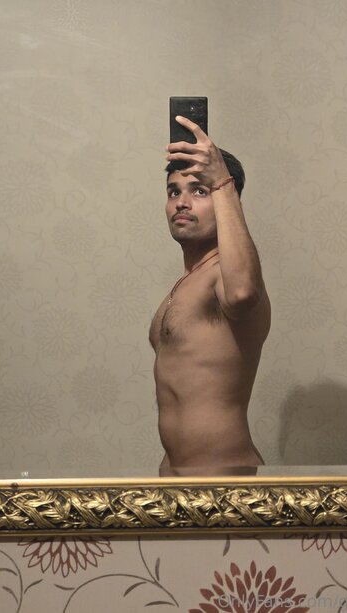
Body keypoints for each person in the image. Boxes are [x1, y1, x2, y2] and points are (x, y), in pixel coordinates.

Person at [149, 115, 271, 476]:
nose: (181, 203)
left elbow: (243, 293)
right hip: (174, 479)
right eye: (174, 192)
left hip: (225, 480)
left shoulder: (226, 277)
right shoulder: (186, 284)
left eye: (199, 191)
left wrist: (221, 182)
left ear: (224, 197)